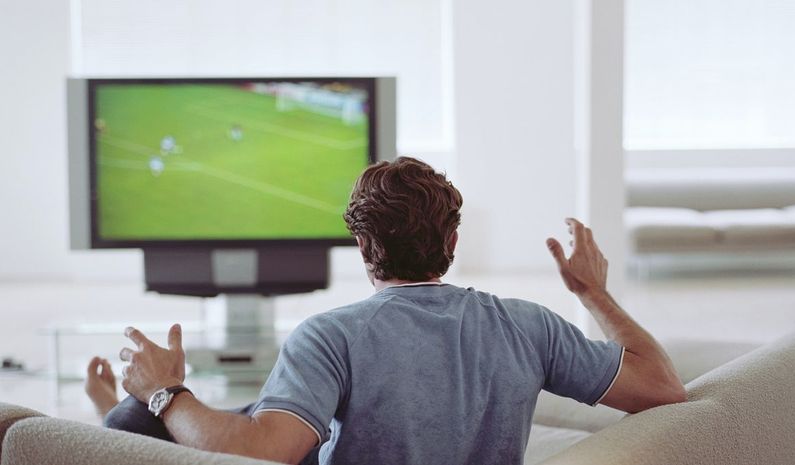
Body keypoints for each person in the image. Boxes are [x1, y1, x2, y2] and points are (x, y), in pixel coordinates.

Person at [86, 157, 686, 465]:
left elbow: (267, 452)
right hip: (321, 396)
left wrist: (167, 392)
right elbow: (662, 387)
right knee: (266, 403)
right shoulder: (528, 324)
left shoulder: (328, 335)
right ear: (452, 243)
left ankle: (133, 402)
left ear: (362, 246)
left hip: (296, 416)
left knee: (132, 423)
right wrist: (592, 294)